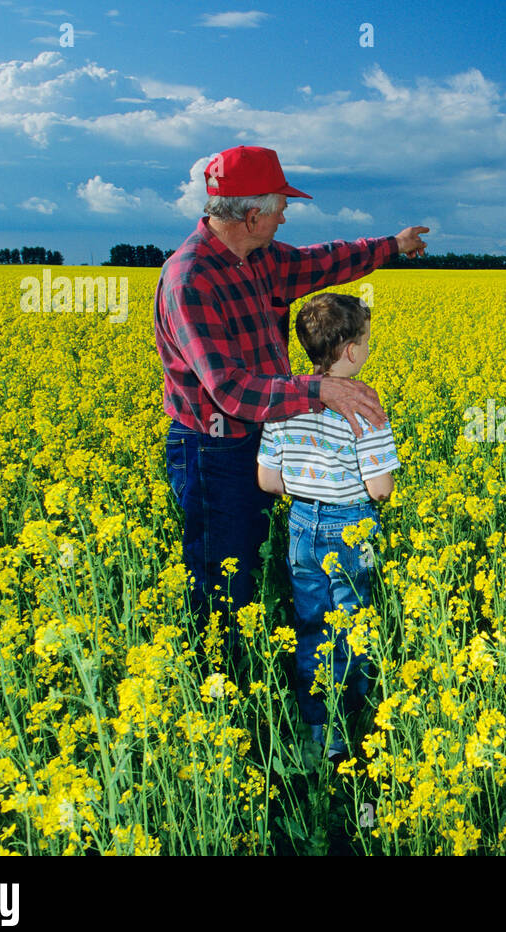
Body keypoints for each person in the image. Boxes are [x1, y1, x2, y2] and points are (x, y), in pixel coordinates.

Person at [154, 144, 426, 671]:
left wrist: (392, 245)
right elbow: (228, 390)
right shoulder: (191, 279)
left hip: (263, 434)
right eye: (281, 207)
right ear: (253, 216)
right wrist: (320, 391)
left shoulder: (259, 257)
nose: (287, 215)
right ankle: (221, 705)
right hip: (215, 447)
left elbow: (320, 262)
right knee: (223, 582)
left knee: (258, 567)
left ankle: (268, 684)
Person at [256, 293, 398, 760]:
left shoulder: (283, 404)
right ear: (353, 352)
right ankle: (355, 714)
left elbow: (268, 480)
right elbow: (379, 490)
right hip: (350, 529)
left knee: (312, 626)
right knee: (352, 624)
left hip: (301, 525)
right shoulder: (364, 407)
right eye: (367, 342)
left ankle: (320, 731)